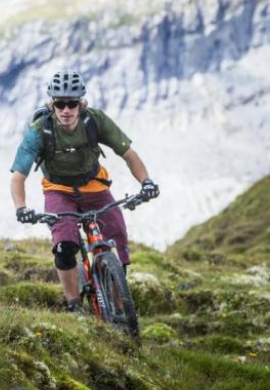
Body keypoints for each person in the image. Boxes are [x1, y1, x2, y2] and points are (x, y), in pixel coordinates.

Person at [9, 71, 159, 313]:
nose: (66, 110)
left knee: (117, 237)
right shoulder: (39, 130)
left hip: (94, 185)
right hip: (58, 190)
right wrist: (21, 208)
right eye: (60, 104)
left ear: (81, 104)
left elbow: (129, 154)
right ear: (52, 104)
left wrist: (147, 182)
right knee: (64, 246)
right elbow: (18, 177)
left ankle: (119, 303)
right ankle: (74, 304)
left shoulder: (95, 120)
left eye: (71, 104)